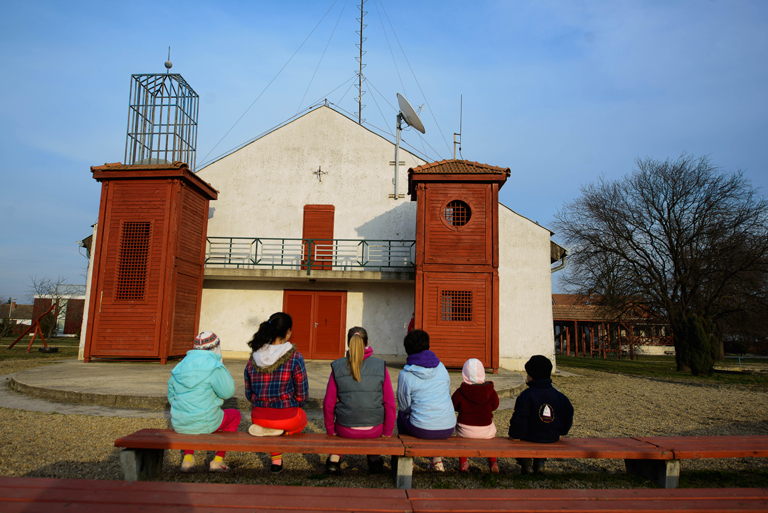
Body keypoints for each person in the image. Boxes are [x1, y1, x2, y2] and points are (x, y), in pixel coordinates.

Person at [322, 327, 396, 475]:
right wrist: (387, 431)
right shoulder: (380, 365)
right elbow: (389, 403)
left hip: (345, 428)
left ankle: (335, 458)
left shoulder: (337, 366)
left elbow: (328, 403)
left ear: (348, 343)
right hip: (375, 429)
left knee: (340, 430)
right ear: (367, 342)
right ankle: (374, 458)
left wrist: (331, 429)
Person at [167, 331, 241, 473]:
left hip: (180, 422)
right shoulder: (214, 366)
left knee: (190, 416)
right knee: (235, 415)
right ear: (216, 347)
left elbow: (171, 396)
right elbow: (228, 392)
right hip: (206, 420)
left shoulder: (180, 365)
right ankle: (218, 460)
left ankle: (188, 459)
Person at [244, 312, 309, 474]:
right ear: (287, 332)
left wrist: (259, 401)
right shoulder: (295, 356)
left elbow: (248, 391)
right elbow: (302, 394)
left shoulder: (254, 356)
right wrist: (295, 403)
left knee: (271, 424)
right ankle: (284, 431)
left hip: (259, 416)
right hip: (285, 417)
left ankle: (276, 460)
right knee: (302, 418)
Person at [396, 329, 456, 471]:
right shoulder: (441, 367)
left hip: (422, 429)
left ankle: (407, 459)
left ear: (407, 350)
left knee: (401, 415)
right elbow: (447, 392)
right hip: (448, 427)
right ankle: (437, 461)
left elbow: (405, 406)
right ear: (428, 346)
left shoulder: (405, 374)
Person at [508, 355, 574, 474]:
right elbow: (568, 415)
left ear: (532, 376)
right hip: (551, 436)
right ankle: (540, 461)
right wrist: (561, 431)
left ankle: (525, 460)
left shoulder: (526, 396)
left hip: (529, 437)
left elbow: (520, 420)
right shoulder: (560, 397)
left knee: (521, 439)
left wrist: (515, 434)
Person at [452, 358, 500, 473]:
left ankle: (463, 462)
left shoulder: (460, 391)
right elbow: (495, 405)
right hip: (485, 431)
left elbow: (453, 405)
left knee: (460, 435)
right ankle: (493, 461)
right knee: (492, 431)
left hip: (465, 431)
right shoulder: (490, 391)